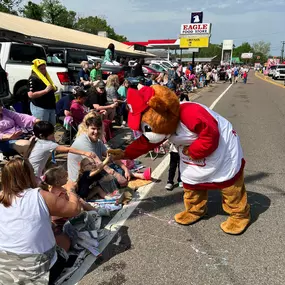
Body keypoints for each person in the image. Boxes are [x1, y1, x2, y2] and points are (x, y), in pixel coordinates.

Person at [0, 158, 81, 284]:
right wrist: (71, 190)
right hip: (37, 272)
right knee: (65, 239)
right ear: (28, 176)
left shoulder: (2, 197)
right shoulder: (38, 195)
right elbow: (75, 209)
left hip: (5, 271)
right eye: (33, 171)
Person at [28, 121, 96, 182]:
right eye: (51, 133)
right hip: (34, 174)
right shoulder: (47, 144)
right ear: (42, 135)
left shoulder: (37, 140)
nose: (53, 134)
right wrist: (85, 152)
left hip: (30, 171)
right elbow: (68, 149)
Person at [28, 59, 57, 125]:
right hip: (40, 107)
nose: (44, 70)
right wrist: (45, 91)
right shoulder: (33, 79)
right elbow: (31, 95)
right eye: (41, 69)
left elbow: (49, 88)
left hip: (50, 106)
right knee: (42, 128)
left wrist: (54, 88)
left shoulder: (46, 77)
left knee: (52, 127)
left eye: (44, 68)